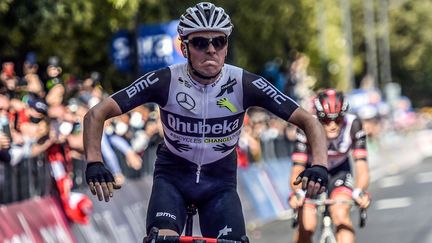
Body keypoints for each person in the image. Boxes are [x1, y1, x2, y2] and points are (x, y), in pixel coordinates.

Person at [83, 2, 329, 241]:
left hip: (219, 184)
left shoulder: (244, 83)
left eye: (218, 41)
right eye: (201, 42)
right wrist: (94, 161)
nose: (211, 49)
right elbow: (96, 114)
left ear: (226, 46)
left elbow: (310, 121)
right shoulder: (165, 80)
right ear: (185, 47)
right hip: (172, 180)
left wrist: (319, 165)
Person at [288, 88, 371, 243]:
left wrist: (360, 191)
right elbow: (297, 168)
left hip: (339, 171)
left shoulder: (354, 124)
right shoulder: (306, 125)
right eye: (326, 120)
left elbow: (362, 166)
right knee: (307, 225)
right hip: (311, 173)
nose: (332, 125)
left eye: (338, 119)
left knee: (340, 215)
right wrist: (297, 192)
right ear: (318, 117)